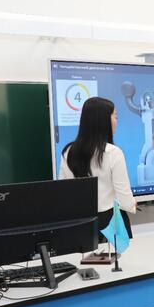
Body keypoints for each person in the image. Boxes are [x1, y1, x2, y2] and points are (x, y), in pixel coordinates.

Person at [59, 97, 137, 239]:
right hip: (111, 222)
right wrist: (132, 204)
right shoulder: (113, 152)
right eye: (115, 116)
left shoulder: (68, 151)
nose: (116, 121)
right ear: (104, 121)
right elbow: (124, 196)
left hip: (80, 223)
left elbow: (64, 192)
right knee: (117, 254)